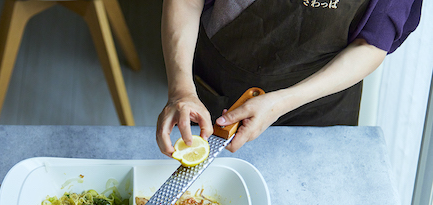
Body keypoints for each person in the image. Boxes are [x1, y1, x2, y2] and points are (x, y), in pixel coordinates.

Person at [156, 0, 422, 155]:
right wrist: (181, 90)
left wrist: (282, 102)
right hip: (223, 84)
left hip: (320, 102)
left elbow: (372, 44)